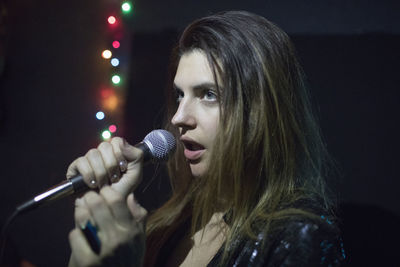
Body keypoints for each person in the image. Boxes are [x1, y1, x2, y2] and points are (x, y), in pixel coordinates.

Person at [66, 11, 345, 267]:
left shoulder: (301, 237)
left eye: (208, 95)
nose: (178, 117)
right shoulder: (168, 224)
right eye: (180, 95)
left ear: (261, 111)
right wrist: (102, 215)